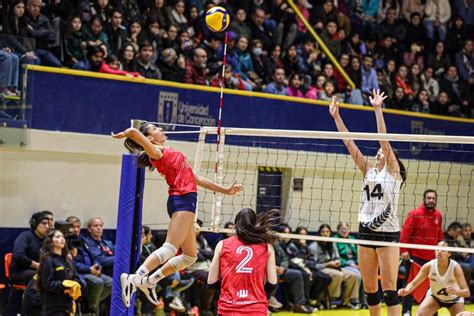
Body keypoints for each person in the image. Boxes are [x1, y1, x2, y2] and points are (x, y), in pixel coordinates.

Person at [113, 122, 242, 307]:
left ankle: (151, 281)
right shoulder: (156, 152)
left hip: (186, 201)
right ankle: (135, 278)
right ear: (149, 138)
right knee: (170, 249)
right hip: (182, 200)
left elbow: (196, 178)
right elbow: (135, 133)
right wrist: (129, 132)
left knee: (190, 257)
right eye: (155, 129)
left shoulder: (169, 151)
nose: (161, 130)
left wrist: (226, 190)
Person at [329, 89, 406, 316]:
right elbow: (349, 144)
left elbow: (384, 140)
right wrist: (336, 117)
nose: (378, 153)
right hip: (365, 231)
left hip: (387, 232)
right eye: (378, 153)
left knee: (390, 290)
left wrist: (377, 109)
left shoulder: (393, 172)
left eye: (382, 152)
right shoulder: (369, 171)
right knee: (371, 289)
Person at [207, 208, 278, 315]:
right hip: (256, 308)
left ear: (236, 225)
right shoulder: (267, 247)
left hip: (228, 308)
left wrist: (228, 290)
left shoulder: (222, 245)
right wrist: (256, 293)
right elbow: (272, 284)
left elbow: (211, 282)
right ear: (255, 224)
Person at [399, 189, 444, 315]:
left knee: (432, 286)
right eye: (429, 198)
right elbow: (405, 234)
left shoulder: (438, 215)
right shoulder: (414, 214)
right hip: (414, 257)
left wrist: (442, 251)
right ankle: (406, 311)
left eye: (433, 198)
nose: (431, 200)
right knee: (410, 284)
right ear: (424, 199)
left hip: (431, 258)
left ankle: (432, 311)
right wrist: (403, 250)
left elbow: (439, 236)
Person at [398, 241, 470, 316]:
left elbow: (467, 292)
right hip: (435, 298)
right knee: (420, 314)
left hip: (455, 300)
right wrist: (406, 290)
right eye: (437, 249)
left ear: (449, 253)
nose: (439, 252)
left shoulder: (455, 267)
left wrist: (455, 292)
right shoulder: (428, 266)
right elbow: (414, 283)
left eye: (443, 250)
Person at [36, 230, 80, 315]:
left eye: (63, 237)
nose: (62, 239)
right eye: (58, 237)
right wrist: (65, 285)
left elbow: (76, 277)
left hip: (68, 303)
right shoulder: (48, 260)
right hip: (53, 306)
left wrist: (75, 284)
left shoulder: (68, 260)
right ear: (50, 241)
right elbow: (48, 284)